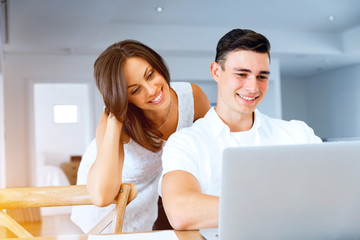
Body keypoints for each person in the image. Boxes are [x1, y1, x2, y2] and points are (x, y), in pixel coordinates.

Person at [159, 29, 322, 230]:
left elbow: (333, 192)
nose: (253, 87)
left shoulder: (297, 134)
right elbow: (182, 211)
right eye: (242, 74)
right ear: (216, 72)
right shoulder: (186, 142)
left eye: (262, 76)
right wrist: (281, 206)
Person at [71, 40, 211, 233]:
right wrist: (115, 117)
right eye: (135, 90)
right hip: (102, 207)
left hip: (145, 201)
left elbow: (210, 151)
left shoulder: (192, 97)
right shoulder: (114, 123)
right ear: (124, 98)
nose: (151, 90)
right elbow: (101, 197)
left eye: (150, 74)